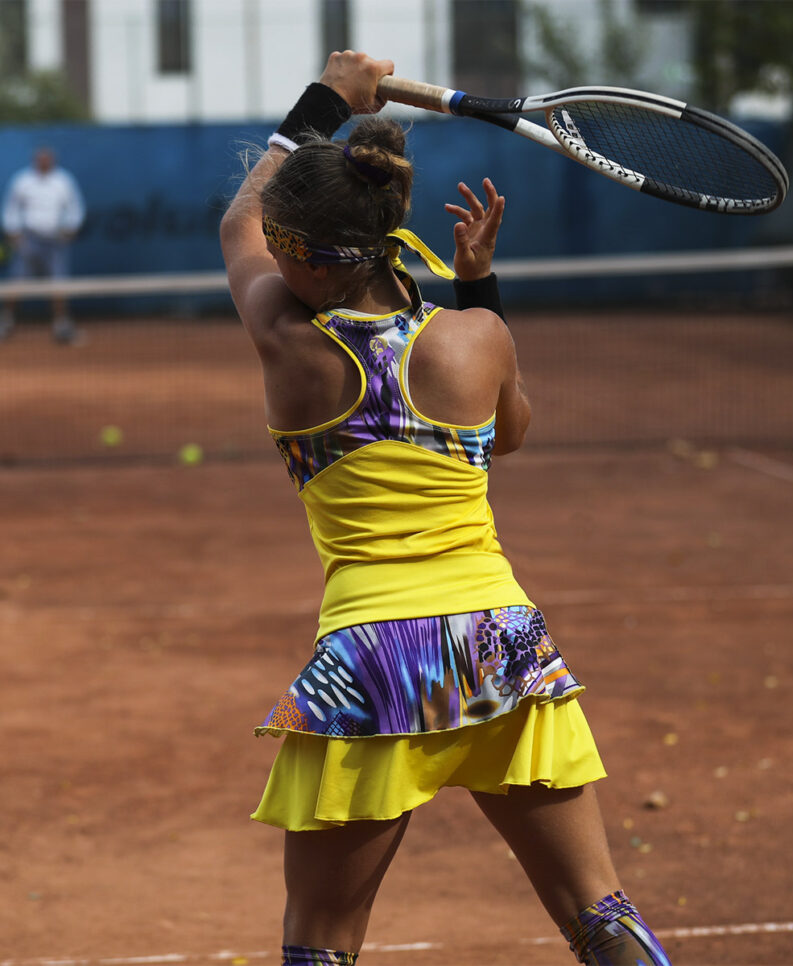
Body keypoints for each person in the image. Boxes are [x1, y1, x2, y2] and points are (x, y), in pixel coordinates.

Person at [220, 51, 672, 966]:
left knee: (321, 944)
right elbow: (507, 436)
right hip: (498, 638)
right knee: (599, 912)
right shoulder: (479, 336)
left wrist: (329, 101)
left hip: (375, 655)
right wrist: (475, 288)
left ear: (299, 257)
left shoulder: (285, 338)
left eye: (282, 240)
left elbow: (236, 219)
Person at [1, 146, 85, 344]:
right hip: (29, 239)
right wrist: (14, 233)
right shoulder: (22, 181)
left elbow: (75, 208)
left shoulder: (64, 181)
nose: (44, 162)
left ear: (53, 161)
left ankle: (61, 326)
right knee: (17, 282)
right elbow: (10, 209)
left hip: (55, 240)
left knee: (58, 284)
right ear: (35, 161)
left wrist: (70, 228)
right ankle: (6, 323)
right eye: (40, 159)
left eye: (47, 159)